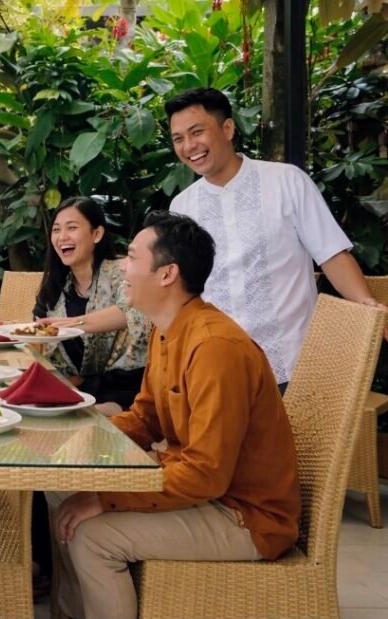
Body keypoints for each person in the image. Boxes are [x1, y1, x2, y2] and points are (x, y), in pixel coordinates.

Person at [51, 211, 300, 619]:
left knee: (91, 537)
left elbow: (206, 474)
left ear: (167, 274)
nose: (122, 268)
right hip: (202, 491)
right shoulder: (168, 329)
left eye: (132, 257)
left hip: (243, 515)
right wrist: (81, 437)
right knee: (60, 490)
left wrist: (107, 498)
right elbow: (145, 418)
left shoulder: (214, 347)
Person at [165, 87, 387, 386]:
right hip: (218, 367)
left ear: (227, 129)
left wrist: (365, 302)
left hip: (292, 364)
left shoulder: (286, 181)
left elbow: (331, 253)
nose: (189, 146)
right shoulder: (182, 207)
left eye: (197, 132)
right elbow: (184, 289)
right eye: (178, 139)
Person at [32, 196, 151, 415]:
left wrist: (73, 323)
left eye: (72, 228)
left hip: (127, 388)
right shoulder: (55, 287)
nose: (62, 237)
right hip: (77, 389)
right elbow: (40, 336)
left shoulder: (122, 272)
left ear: (96, 234)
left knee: (77, 416)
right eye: (56, 230)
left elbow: (133, 311)